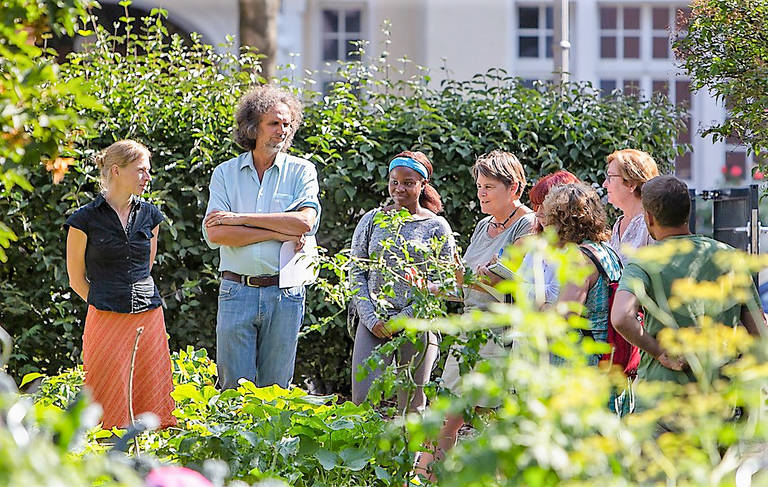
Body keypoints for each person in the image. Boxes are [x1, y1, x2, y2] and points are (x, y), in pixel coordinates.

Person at [413, 150, 535, 482]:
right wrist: (432, 285)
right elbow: (470, 283)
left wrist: (468, 277)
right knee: (444, 415)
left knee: (494, 422)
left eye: (489, 187)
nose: (481, 193)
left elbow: (505, 280)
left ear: (514, 188)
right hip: (471, 329)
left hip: (503, 333)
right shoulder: (484, 225)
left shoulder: (528, 223)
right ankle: (426, 479)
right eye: (479, 186)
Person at [202, 85, 321, 390]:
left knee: (276, 391)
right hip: (235, 291)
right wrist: (278, 230)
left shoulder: (302, 171)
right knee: (232, 390)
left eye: (287, 124)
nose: (282, 130)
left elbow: (304, 223)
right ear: (253, 127)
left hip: (286, 293)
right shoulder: (225, 174)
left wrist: (241, 219)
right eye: (274, 123)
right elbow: (216, 232)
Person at [612, 176, 765, 399]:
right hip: (719, 397)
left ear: (649, 217)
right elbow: (759, 332)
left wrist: (659, 352)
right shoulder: (729, 257)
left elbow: (620, 317)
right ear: (688, 213)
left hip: (661, 400)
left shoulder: (643, 262)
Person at [65, 139, 176, 430]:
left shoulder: (151, 215)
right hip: (105, 319)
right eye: (141, 170)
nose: (148, 177)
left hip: (149, 319)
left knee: (150, 395)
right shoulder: (83, 220)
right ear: (116, 170)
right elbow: (76, 279)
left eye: (148, 170)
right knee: (105, 401)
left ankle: (147, 464)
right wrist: (105, 300)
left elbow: (146, 266)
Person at [350, 151, 455, 413]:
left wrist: (404, 318)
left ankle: (409, 455)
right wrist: (371, 318)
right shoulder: (372, 220)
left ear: (423, 185)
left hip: (418, 322)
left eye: (408, 183)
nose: (399, 189)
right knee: (363, 402)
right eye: (394, 181)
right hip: (374, 322)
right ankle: (366, 454)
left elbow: (443, 281)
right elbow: (357, 271)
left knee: (411, 405)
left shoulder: (437, 226)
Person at [539, 183, 623, 366]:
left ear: (563, 222)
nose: (545, 226)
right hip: (608, 359)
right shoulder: (606, 251)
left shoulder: (578, 257)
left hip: (581, 364)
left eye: (549, 220)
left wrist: (539, 308)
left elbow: (568, 313)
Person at [519, 170, 582, 306]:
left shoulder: (579, 252)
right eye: (537, 206)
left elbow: (555, 295)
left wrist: (528, 290)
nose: (538, 213)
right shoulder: (537, 245)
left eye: (546, 206)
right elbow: (518, 287)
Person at [602, 149, 659, 264]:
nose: (604, 184)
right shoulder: (619, 223)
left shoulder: (651, 225)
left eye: (610, 177)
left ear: (631, 183)